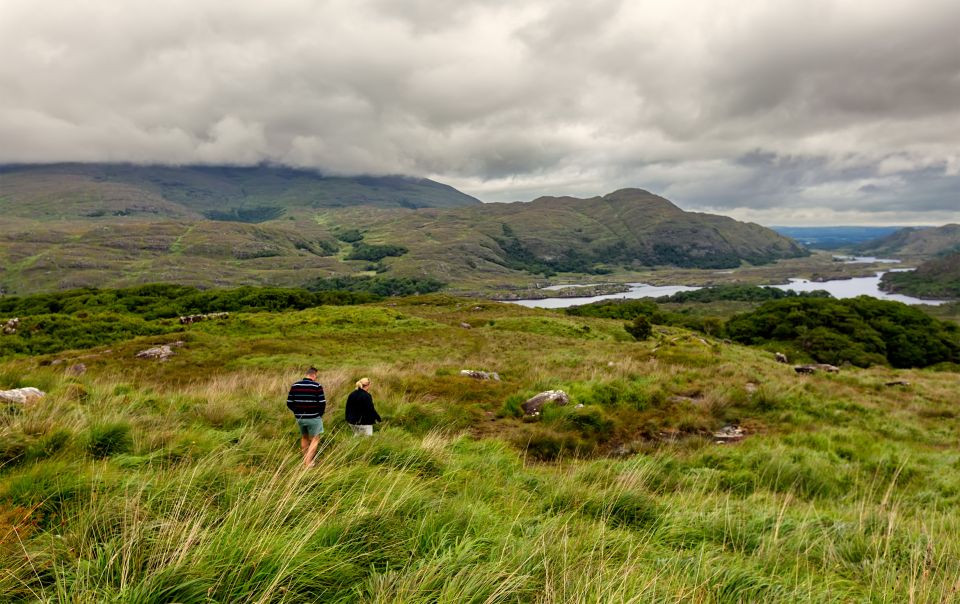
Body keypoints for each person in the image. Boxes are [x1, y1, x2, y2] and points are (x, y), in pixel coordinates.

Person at [287, 367, 326, 467]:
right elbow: (322, 403)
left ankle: (305, 460)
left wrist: (297, 412)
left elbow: (289, 402)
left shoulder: (295, 385)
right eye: (316, 376)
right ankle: (308, 462)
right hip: (314, 417)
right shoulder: (317, 386)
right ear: (313, 375)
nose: (316, 378)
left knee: (304, 437)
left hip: (300, 418)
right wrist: (319, 414)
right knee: (315, 439)